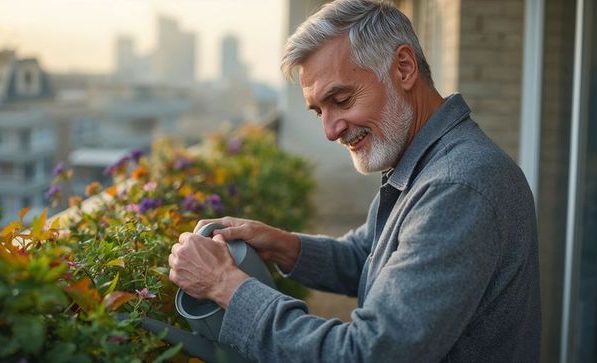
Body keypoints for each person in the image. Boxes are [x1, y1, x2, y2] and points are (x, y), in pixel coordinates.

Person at [168, 0, 541, 361]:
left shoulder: (456, 188)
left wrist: (225, 286)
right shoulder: (425, 160)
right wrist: (284, 246)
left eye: (342, 100)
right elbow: (371, 256)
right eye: (319, 112)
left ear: (404, 68)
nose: (330, 131)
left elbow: (368, 353)